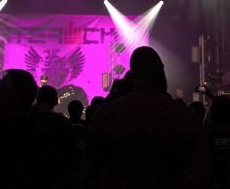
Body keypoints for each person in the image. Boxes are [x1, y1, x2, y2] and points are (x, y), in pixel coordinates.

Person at [81, 46, 216, 189]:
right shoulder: (186, 117)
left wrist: (115, 94)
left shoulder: (106, 114)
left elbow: (89, 172)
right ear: (161, 72)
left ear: (132, 75)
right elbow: (203, 175)